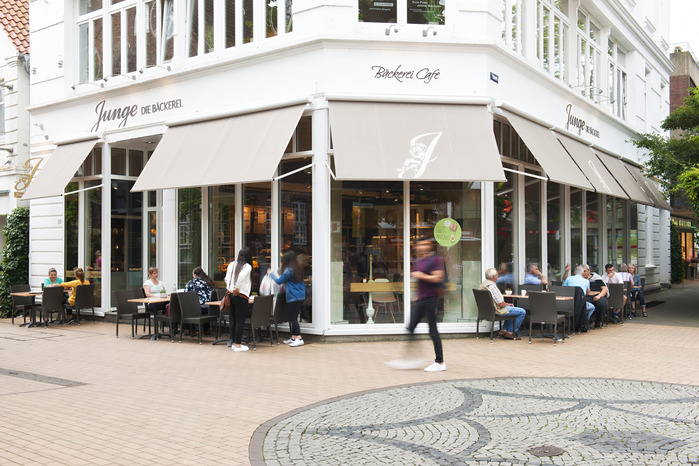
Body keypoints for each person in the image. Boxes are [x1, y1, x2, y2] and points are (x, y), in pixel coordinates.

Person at [409, 237, 446, 372]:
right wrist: (416, 296)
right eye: (420, 244)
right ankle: (414, 358)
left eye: (425, 244)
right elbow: (420, 282)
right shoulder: (419, 261)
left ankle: (440, 362)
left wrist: (421, 275)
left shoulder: (435, 260)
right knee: (411, 327)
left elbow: (437, 277)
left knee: (433, 331)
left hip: (431, 299)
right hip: (421, 299)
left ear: (429, 245)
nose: (422, 247)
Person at [267, 250, 306, 347]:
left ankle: (299, 338)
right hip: (300, 295)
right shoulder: (297, 268)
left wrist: (270, 274)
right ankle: (293, 337)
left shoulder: (289, 270)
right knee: (293, 317)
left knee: (293, 318)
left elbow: (279, 281)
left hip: (293, 296)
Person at [480, 267, 526, 340]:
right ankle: (510, 333)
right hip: (497, 310)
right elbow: (500, 304)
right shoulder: (492, 286)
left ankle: (504, 331)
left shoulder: (483, 285)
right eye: (497, 275)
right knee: (522, 312)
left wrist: (507, 304)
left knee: (511, 309)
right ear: (493, 277)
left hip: (488, 310)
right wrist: (507, 304)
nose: (499, 276)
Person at [225, 247, 253, 352]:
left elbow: (227, 278)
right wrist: (237, 287)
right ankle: (237, 344)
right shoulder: (247, 266)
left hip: (231, 295)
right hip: (241, 296)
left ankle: (233, 342)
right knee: (240, 321)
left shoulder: (232, 264)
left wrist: (230, 289)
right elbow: (241, 276)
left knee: (234, 320)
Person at [562, 264, 596, 331]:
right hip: (580, 303)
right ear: (582, 273)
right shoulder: (586, 281)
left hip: (568, 304)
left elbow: (564, 288)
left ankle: (572, 323)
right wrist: (597, 293)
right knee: (592, 307)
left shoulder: (569, 278)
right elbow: (588, 293)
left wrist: (566, 272)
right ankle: (584, 322)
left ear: (574, 273)